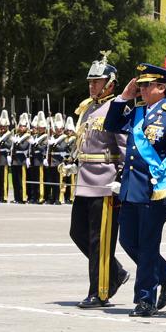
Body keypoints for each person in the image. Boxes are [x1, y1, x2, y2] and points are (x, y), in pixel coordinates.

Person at [105, 63, 166, 317]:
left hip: (158, 190)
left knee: (147, 244)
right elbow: (112, 124)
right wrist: (124, 97)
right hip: (133, 188)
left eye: (146, 85)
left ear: (161, 87)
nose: (141, 89)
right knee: (128, 240)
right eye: (140, 84)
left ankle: (145, 299)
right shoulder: (137, 112)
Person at [70, 55, 130, 308]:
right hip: (85, 180)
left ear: (111, 84)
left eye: (98, 82)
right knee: (78, 233)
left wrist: (122, 177)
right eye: (91, 82)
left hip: (106, 181)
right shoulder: (88, 108)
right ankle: (115, 272)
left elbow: (126, 148)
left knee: (100, 240)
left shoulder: (117, 108)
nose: (93, 86)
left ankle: (100, 290)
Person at [27, 112, 49, 204]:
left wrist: (35, 143)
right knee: (34, 180)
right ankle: (34, 196)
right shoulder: (35, 136)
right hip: (34, 160)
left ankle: (41, 196)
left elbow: (43, 148)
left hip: (40, 160)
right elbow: (30, 149)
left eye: (41, 128)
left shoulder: (45, 137)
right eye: (39, 128)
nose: (40, 129)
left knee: (40, 180)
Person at [9, 113, 31, 204]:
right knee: (15, 181)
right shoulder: (16, 135)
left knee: (21, 181)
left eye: (23, 126)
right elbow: (12, 147)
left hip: (22, 160)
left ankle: (23, 198)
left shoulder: (28, 136)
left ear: (26, 127)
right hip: (15, 160)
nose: (21, 128)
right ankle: (16, 197)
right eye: (20, 126)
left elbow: (24, 147)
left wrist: (17, 142)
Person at [0, 111, 13, 203]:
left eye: (3, 127)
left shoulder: (9, 135)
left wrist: (1, 141)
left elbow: (9, 145)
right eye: (1, 126)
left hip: (4, 158)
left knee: (4, 180)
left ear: (7, 126)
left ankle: (4, 197)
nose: (2, 128)